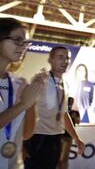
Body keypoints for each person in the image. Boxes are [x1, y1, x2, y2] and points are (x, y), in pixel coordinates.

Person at [24, 46, 86, 169]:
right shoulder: (40, 80)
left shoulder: (65, 83)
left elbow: (63, 114)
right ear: (50, 60)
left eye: (67, 58)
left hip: (56, 138)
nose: (65, 61)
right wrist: (22, 143)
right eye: (60, 57)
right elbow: (25, 109)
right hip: (38, 138)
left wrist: (77, 138)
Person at [0, 18, 47, 169]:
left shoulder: (19, 83)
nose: (23, 47)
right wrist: (23, 104)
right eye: (17, 40)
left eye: (26, 43)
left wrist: (32, 100)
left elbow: (27, 134)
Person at [57, 97, 81, 169]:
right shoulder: (60, 110)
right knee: (58, 158)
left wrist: (74, 117)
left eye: (71, 102)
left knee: (64, 159)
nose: (70, 103)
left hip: (67, 137)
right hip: (60, 136)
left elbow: (78, 122)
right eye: (69, 102)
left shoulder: (75, 112)